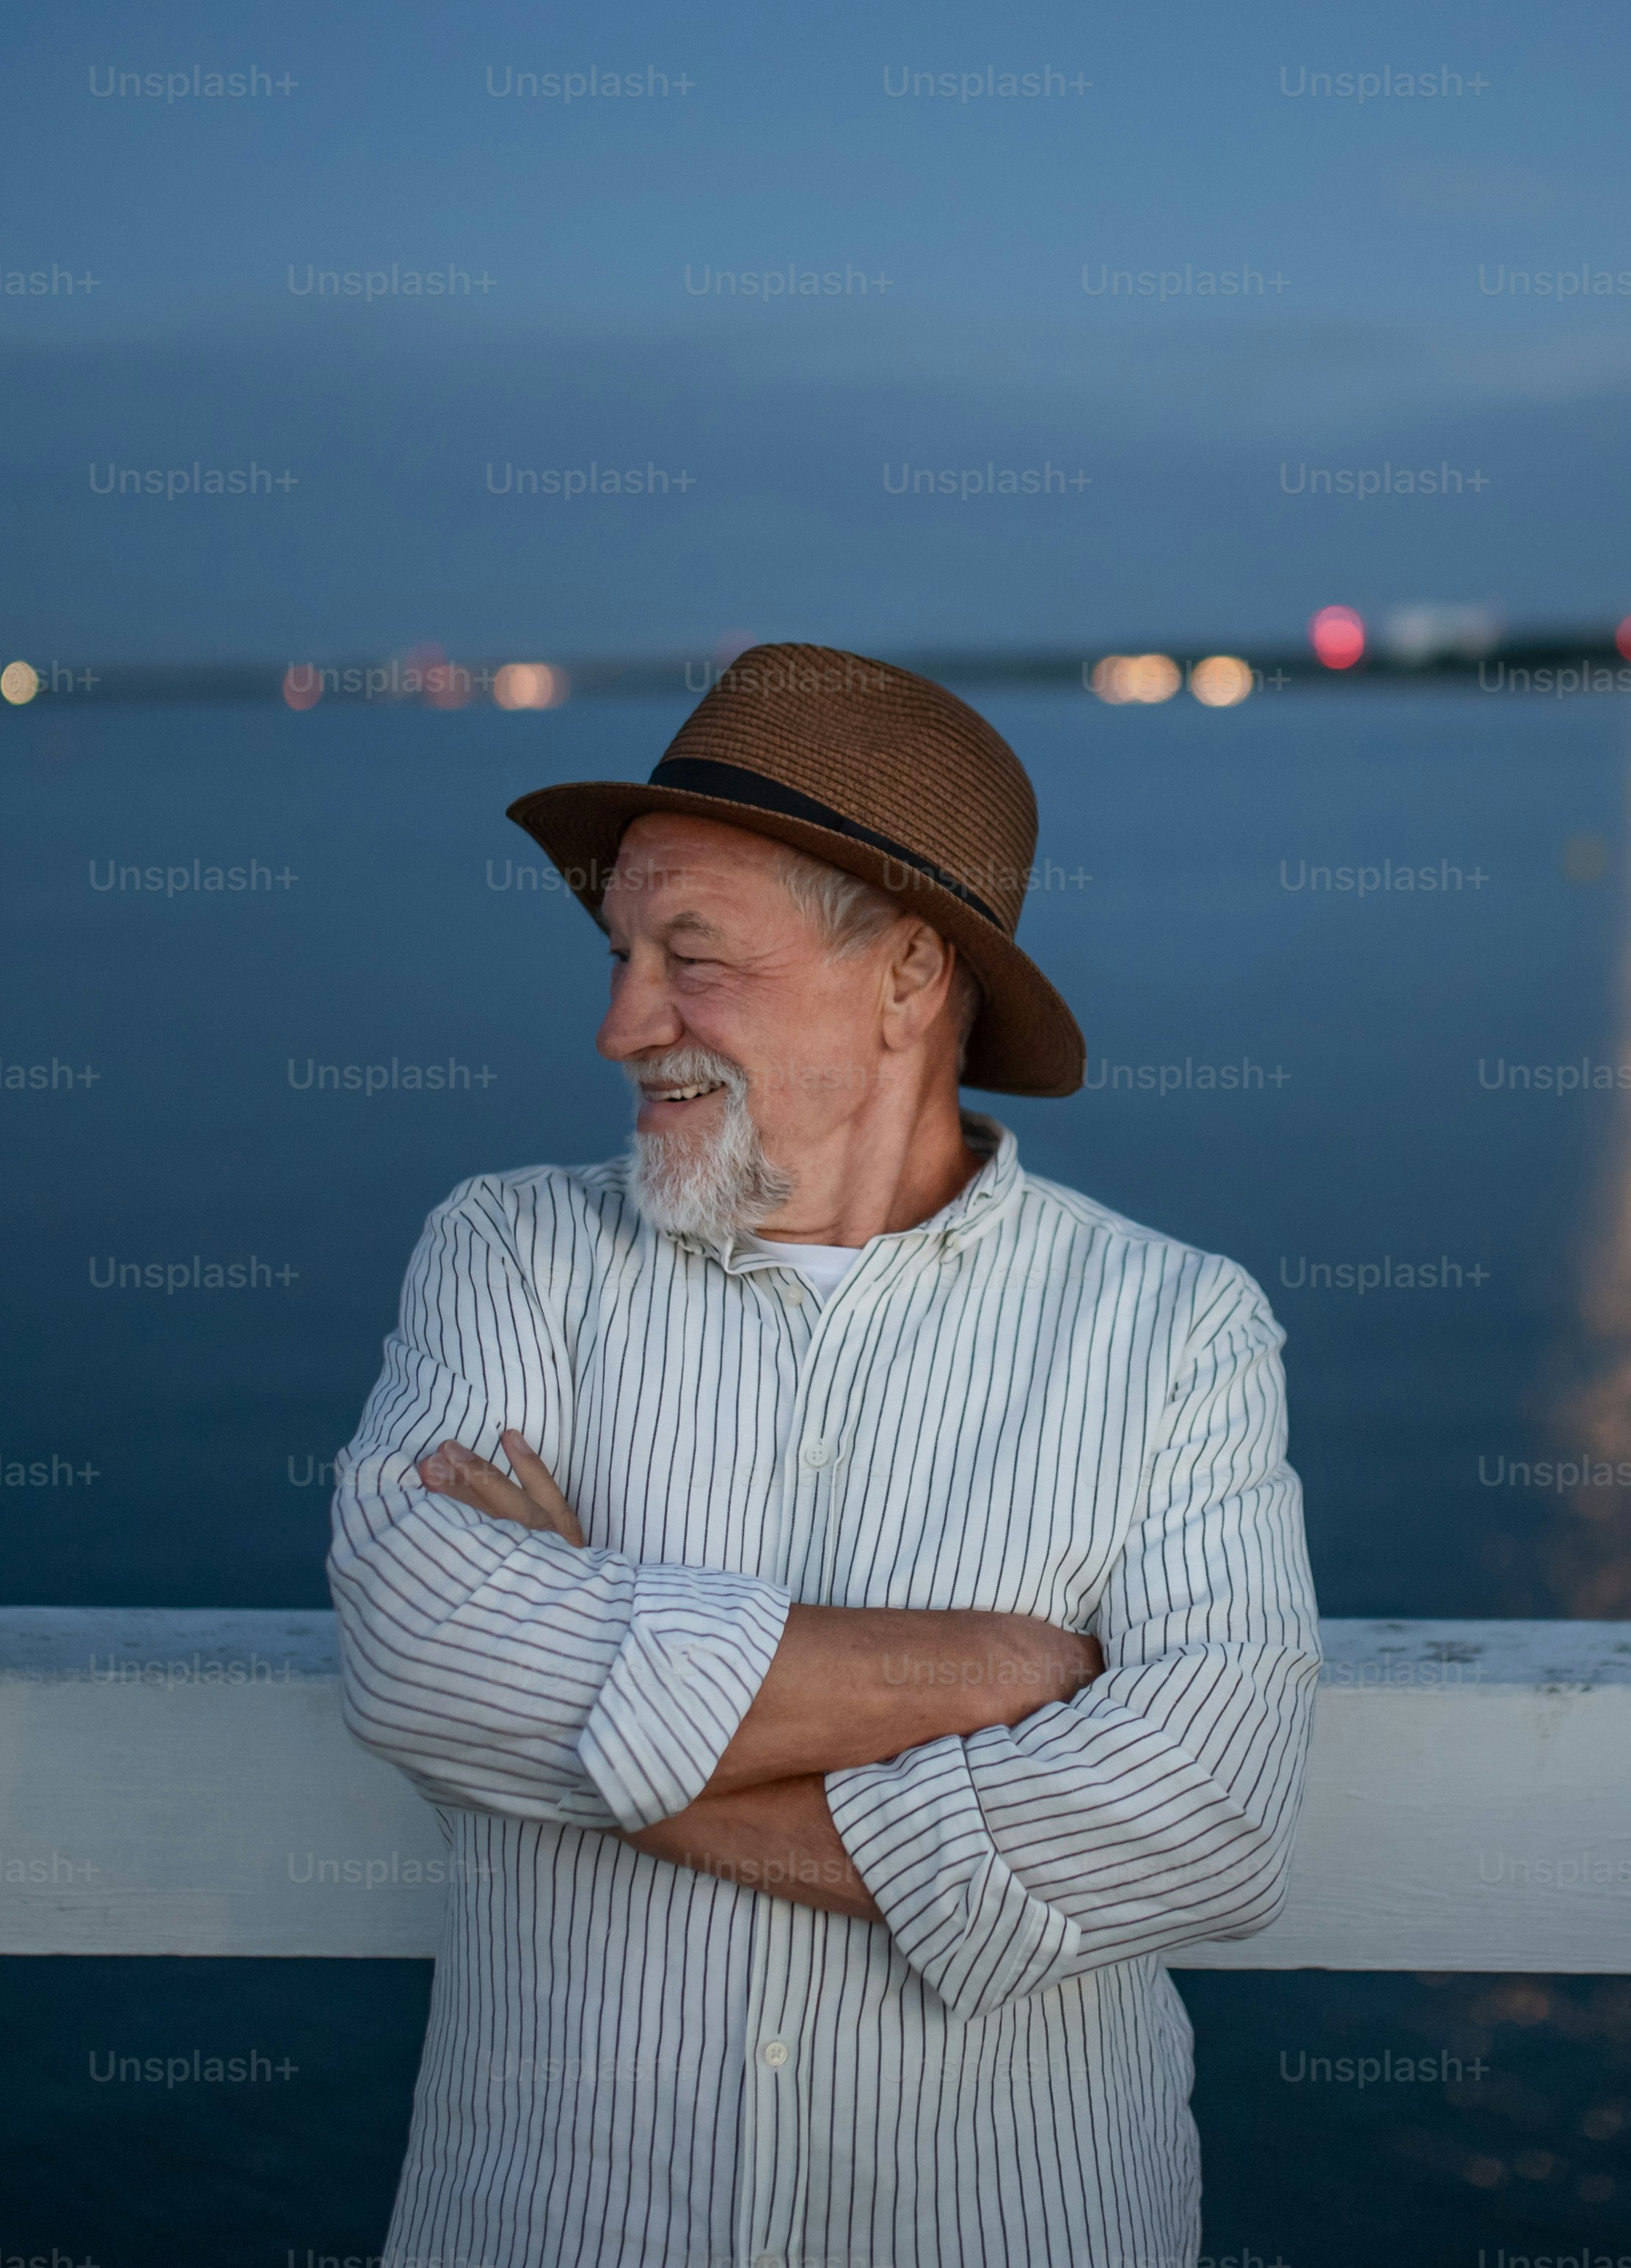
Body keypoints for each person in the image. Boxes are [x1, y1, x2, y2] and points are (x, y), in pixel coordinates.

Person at [328, 641, 1321, 2268]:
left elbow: (1208, 1816)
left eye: (690, 957)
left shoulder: (1173, 1326)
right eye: (619, 952)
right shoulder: (508, 1250)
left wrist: (600, 1732)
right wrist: (996, 1672)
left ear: (910, 978)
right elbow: (420, 1654)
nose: (617, 1023)